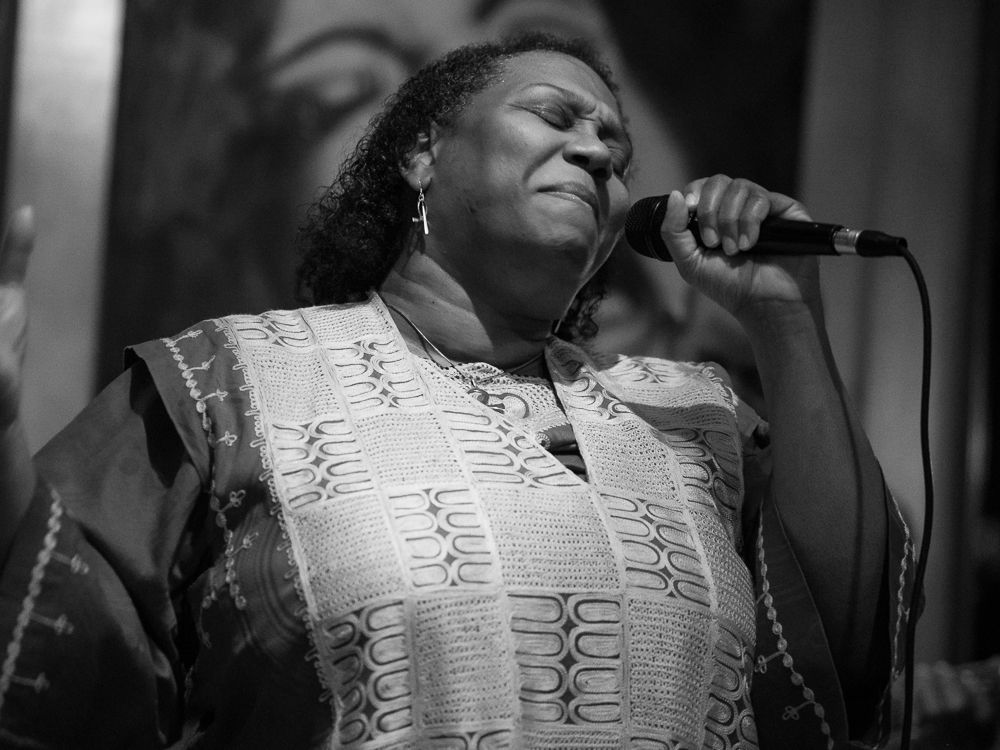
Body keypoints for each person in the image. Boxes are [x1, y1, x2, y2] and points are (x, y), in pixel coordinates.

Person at [0, 34, 912, 749]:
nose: (596, 152)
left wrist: (787, 318)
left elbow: (840, 649)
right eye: (555, 116)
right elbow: (58, 635)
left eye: (616, 148)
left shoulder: (694, 412)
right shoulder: (231, 378)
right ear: (423, 153)